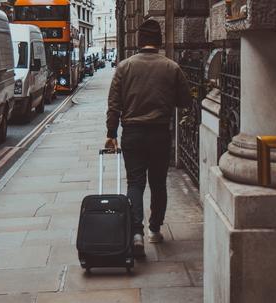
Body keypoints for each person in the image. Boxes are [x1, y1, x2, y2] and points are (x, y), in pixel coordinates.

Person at [105, 18, 192, 257]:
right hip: (159, 133)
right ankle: (155, 229)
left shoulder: (124, 67)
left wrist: (111, 134)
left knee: (135, 183)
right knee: (158, 183)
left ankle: (136, 234)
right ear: (159, 41)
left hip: (132, 133)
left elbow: (114, 105)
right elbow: (185, 101)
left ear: (139, 40)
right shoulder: (171, 67)